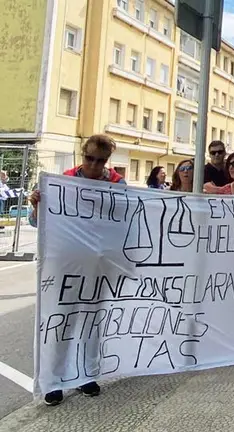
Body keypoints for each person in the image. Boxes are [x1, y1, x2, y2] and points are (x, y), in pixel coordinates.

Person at [28, 134, 122, 406]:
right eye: (89, 158)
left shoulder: (117, 185)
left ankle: (85, 375)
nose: (93, 165)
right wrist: (37, 205)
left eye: (100, 160)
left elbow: (127, 223)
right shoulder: (62, 182)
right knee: (61, 321)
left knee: (91, 322)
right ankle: (54, 380)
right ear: (83, 155)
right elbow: (38, 224)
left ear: (107, 161)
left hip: (98, 268)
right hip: (64, 266)